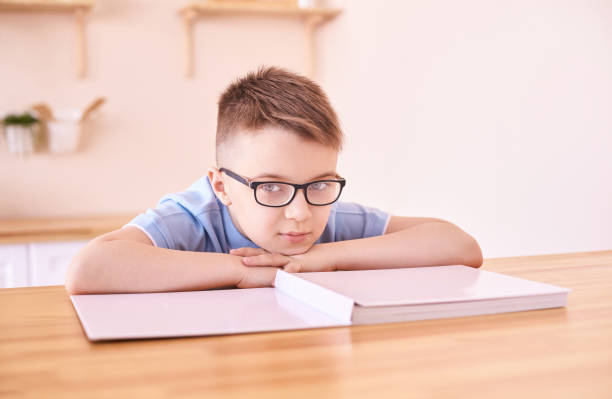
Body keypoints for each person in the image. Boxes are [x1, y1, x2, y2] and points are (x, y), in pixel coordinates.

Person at [65, 67, 482, 295]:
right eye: (271, 187)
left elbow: (459, 245)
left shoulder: (329, 217)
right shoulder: (194, 216)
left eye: (319, 183)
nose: (300, 213)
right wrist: (242, 271)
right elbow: (90, 268)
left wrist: (327, 258)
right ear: (223, 186)